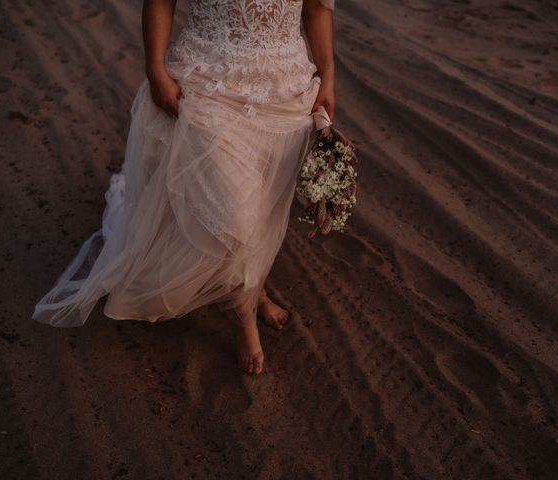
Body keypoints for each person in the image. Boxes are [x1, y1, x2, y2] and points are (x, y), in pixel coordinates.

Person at [32, 0, 336, 375]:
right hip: (207, 83)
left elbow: (318, 9)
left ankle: (255, 286)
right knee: (236, 214)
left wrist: (329, 77)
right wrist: (155, 68)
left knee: (263, 203)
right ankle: (243, 320)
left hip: (286, 89)